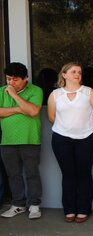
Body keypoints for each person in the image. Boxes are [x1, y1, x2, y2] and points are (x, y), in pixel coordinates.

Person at [47, 62, 93, 223]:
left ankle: (84, 209)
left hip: (87, 139)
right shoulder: (55, 95)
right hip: (61, 139)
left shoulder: (89, 92)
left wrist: (84, 126)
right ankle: (69, 209)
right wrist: (66, 128)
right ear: (64, 75)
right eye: (73, 71)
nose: (77, 74)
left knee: (84, 174)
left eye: (79, 72)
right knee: (68, 174)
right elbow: (51, 117)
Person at [0, 62, 43, 219]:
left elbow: (32, 111)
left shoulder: (35, 90)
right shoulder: (0, 91)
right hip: (7, 141)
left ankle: (34, 205)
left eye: (15, 79)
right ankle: (18, 204)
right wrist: (19, 109)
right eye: (8, 79)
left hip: (30, 139)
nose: (11, 83)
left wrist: (13, 95)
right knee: (13, 175)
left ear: (26, 78)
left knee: (32, 173)